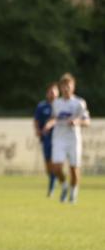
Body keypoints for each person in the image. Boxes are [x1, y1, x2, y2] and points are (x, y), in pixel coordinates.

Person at [44, 73, 91, 204]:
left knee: (74, 169)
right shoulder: (56, 103)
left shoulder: (79, 103)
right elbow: (54, 118)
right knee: (56, 168)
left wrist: (78, 122)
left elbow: (87, 121)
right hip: (59, 138)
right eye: (63, 86)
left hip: (73, 139)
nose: (66, 89)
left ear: (73, 87)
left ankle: (73, 191)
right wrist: (49, 124)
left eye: (68, 86)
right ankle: (64, 185)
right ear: (61, 87)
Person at [33, 82, 59, 197]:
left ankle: (52, 188)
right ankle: (53, 179)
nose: (52, 94)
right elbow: (36, 120)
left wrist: (50, 124)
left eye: (54, 91)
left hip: (58, 138)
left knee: (54, 162)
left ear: (58, 93)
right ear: (47, 93)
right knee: (48, 164)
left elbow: (57, 119)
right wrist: (38, 130)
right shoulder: (41, 106)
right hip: (46, 138)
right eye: (50, 91)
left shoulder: (60, 105)